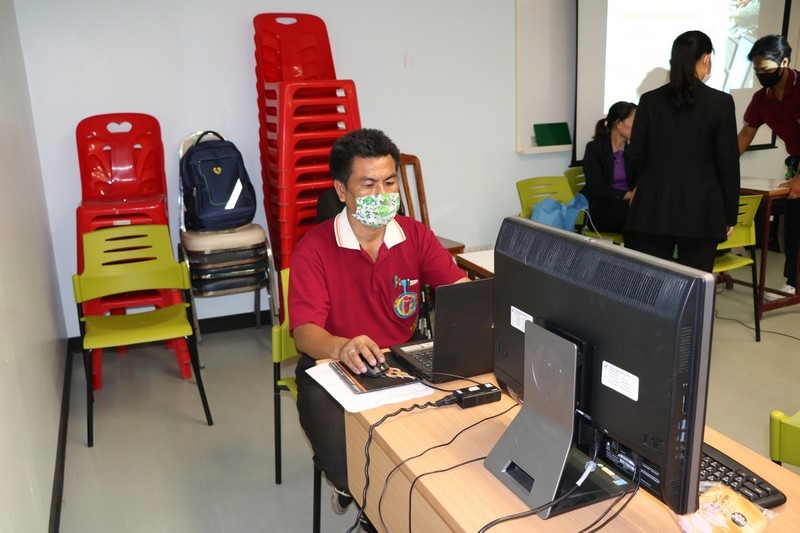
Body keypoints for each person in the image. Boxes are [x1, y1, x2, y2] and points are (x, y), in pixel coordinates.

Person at [288, 128, 468, 529]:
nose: (382, 194)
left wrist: (476, 298)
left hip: (404, 353)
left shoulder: (414, 235)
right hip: (332, 362)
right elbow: (304, 332)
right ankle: (359, 497)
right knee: (342, 453)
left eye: (389, 182)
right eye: (368, 185)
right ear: (341, 190)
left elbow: (459, 290)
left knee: (456, 426)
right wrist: (341, 346)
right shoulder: (314, 248)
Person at [624, 30, 740, 273]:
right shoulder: (720, 103)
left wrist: (643, 186)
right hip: (702, 210)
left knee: (651, 282)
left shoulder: (649, 100)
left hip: (653, 206)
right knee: (695, 284)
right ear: (706, 58)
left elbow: (635, 155)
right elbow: (727, 163)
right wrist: (730, 214)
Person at [737, 34, 800, 300]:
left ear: (784, 62)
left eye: (766, 69)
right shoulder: (761, 99)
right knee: (794, 226)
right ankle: (793, 284)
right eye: (756, 70)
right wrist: (723, 165)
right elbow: (745, 135)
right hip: (797, 162)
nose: (761, 75)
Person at [581, 101, 637, 234]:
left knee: (645, 211)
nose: (640, 126)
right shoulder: (594, 149)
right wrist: (629, 195)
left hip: (628, 206)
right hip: (601, 208)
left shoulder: (634, 150)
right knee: (638, 213)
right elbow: (596, 187)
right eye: (635, 121)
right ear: (619, 124)